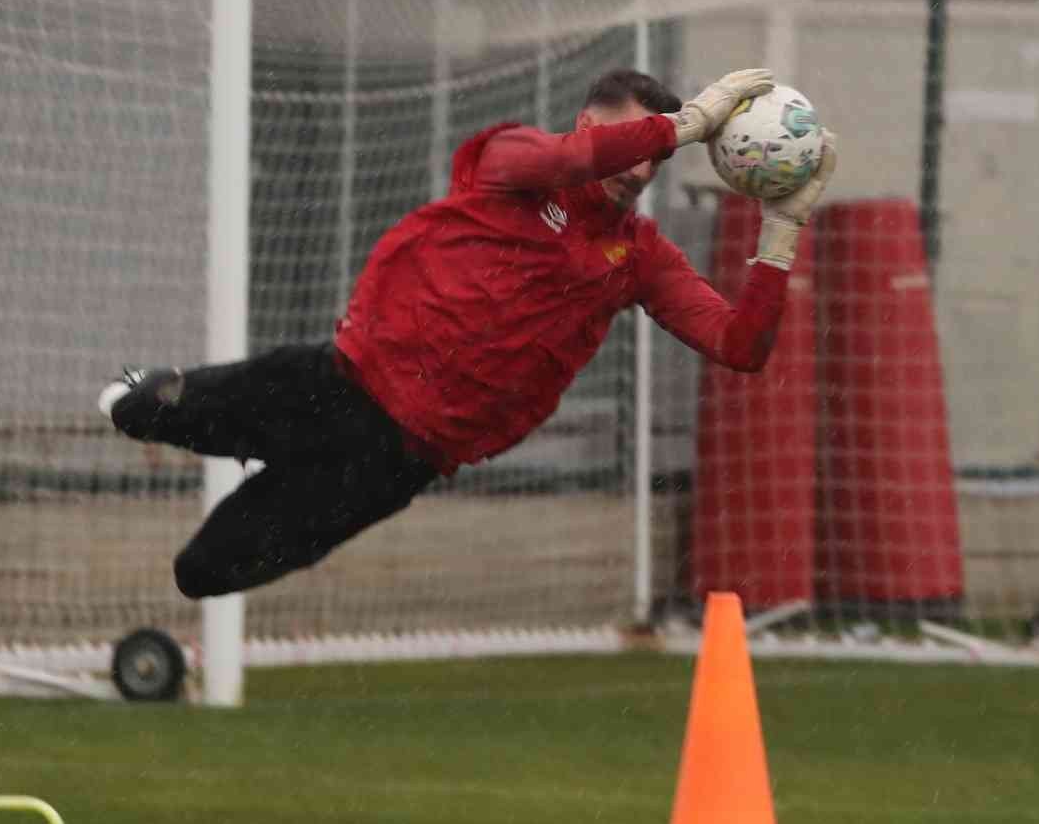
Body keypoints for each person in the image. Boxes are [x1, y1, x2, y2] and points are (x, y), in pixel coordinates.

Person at [99, 66, 836, 600]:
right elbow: (568, 161)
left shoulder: (636, 255)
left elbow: (740, 347)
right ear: (587, 123)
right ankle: (177, 402)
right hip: (332, 383)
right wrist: (688, 122)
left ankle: (258, 463)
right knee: (139, 408)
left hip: (397, 462)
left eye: (659, 158)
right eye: (634, 143)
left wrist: (781, 228)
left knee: (202, 575)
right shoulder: (513, 160)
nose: (644, 167)